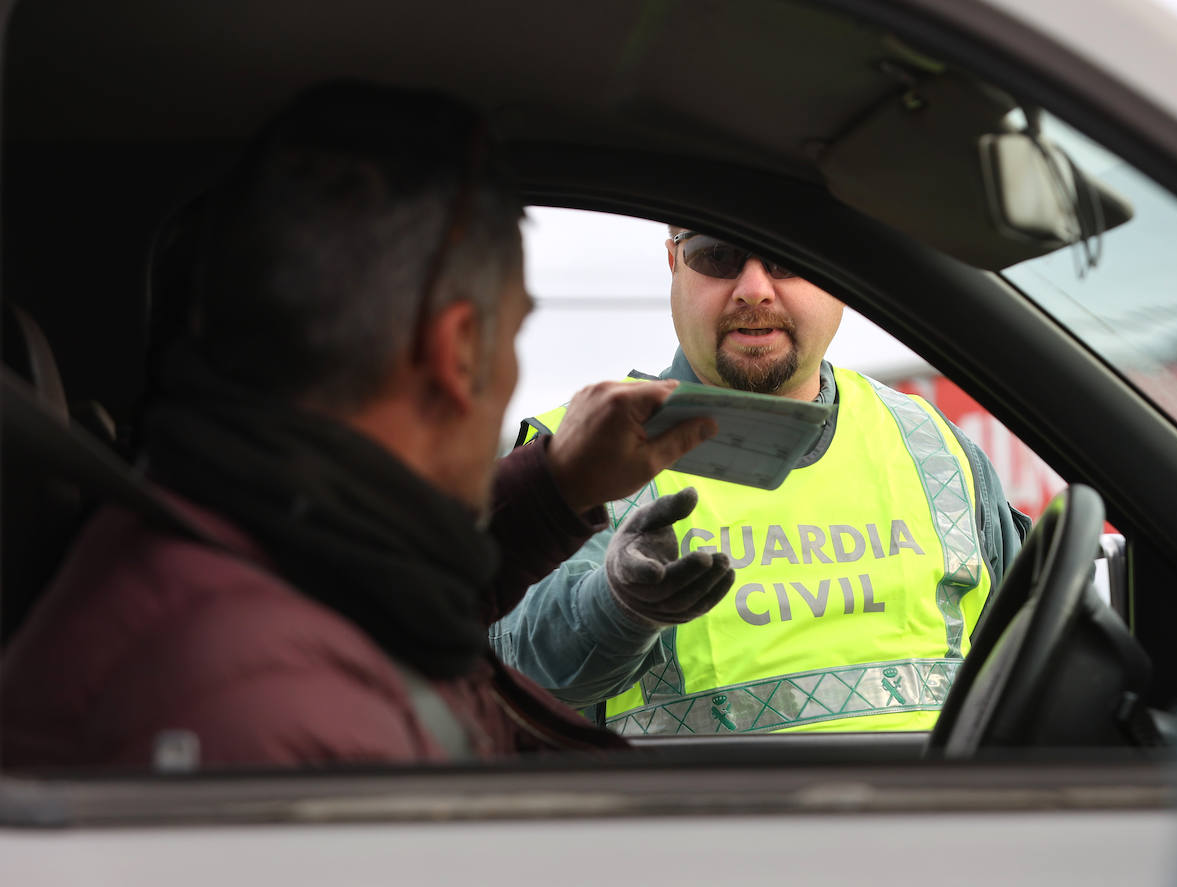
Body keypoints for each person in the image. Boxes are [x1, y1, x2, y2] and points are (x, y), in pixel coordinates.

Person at [0, 82, 721, 768]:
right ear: (460, 351)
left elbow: (378, 597)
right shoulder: (272, 716)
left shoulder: (254, 533)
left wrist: (556, 488)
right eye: (513, 335)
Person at [492, 227, 1031, 735]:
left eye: (787, 256)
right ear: (674, 262)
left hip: (939, 825)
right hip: (704, 829)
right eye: (718, 256)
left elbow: (1031, 660)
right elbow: (516, 675)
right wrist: (615, 606)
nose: (753, 290)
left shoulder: (933, 446)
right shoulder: (577, 451)